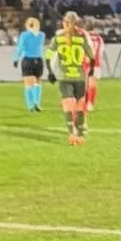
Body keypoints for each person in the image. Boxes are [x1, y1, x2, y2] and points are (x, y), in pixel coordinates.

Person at [48, 11, 93, 147]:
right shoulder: (81, 37)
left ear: (64, 23)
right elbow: (91, 57)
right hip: (79, 77)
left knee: (67, 106)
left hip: (64, 77)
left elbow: (48, 55)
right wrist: (89, 73)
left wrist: (50, 72)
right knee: (80, 106)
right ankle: (80, 134)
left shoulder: (58, 38)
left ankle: (71, 134)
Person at [13, 16, 45, 113]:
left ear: (27, 25)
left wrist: (16, 59)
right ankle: (36, 102)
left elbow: (21, 47)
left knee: (28, 84)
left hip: (28, 60)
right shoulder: (41, 35)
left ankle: (30, 105)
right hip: (39, 60)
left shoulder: (24, 35)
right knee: (37, 82)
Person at [84, 18, 105, 113]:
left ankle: (88, 103)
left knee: (87, 84)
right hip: (97, 64)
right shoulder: (99, 38)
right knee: (93, 84)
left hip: (87, 64)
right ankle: (91, 102)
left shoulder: (85, 37)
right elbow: (101, 51)